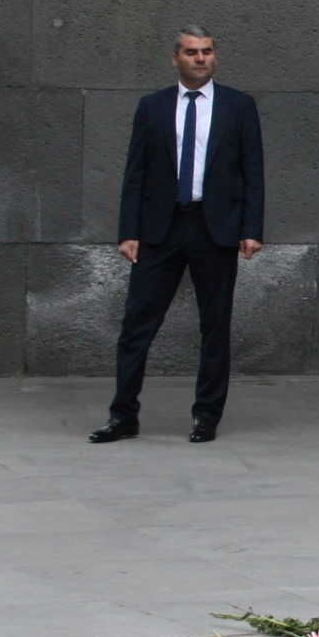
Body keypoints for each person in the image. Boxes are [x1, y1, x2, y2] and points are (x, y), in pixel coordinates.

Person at [91, 26, 265, 445]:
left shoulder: (239, 106)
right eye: (191, 52)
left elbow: (252, 172)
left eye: (206, 51)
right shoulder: (152, 107)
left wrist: (251, 229)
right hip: (159, 230)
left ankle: (206, 416)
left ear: (215, 57)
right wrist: (128, 231)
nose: (200, 58)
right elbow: (135, 174)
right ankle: (123, 416)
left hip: (215, 229)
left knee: (215, 328)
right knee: (137, 326)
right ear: (175, 59)